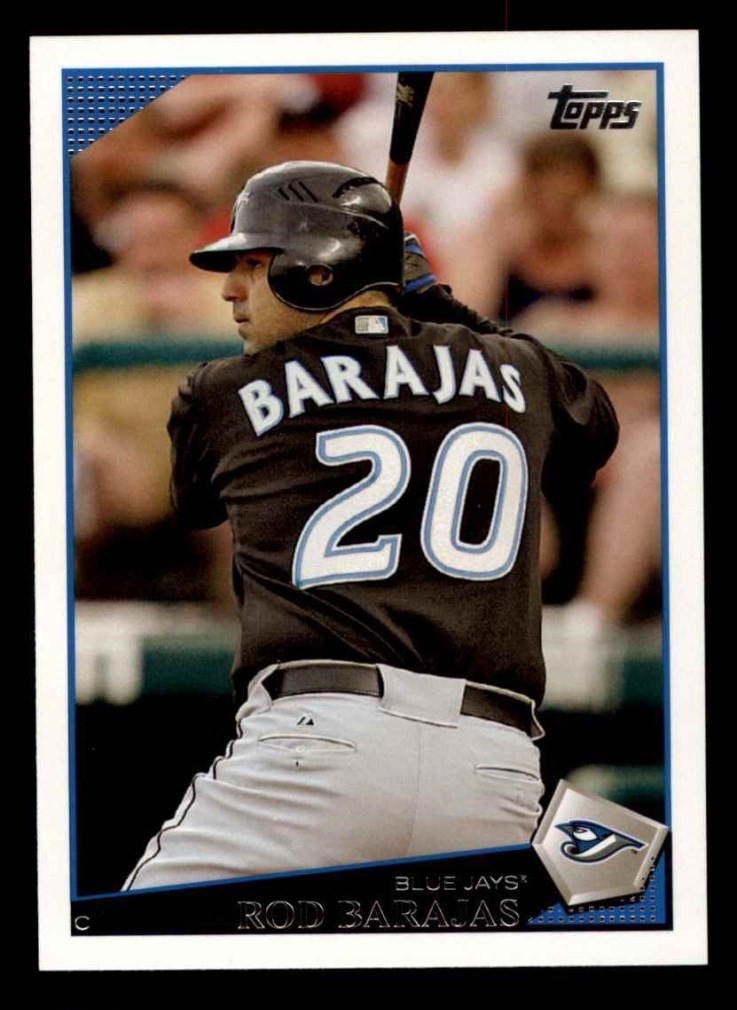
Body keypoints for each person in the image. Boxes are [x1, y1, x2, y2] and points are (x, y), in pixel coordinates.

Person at [123, 160, 618, 890]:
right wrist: (446, 311)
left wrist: (380, 354)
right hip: (492, 772)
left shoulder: (222, 392)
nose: (230, 290)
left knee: (127, 943)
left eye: (254, 265)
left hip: (312, 748)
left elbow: (196, 502)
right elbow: (593, 426)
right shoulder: (520, 370)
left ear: (317, 269)